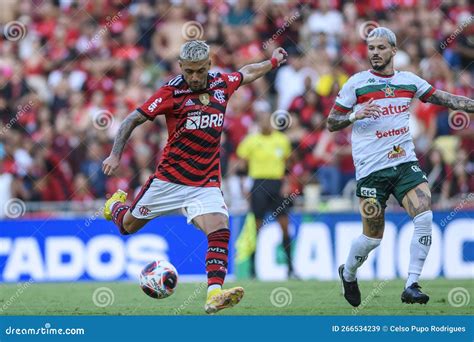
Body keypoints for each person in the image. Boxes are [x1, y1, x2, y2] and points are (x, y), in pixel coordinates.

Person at [101, 40, 288, 314]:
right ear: (181, 68)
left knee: (220, 229)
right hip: (169, 180)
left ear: (209, 66)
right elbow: (131, 119)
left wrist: (271, 62)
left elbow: (246, 73)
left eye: (200, 70)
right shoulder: (171, 92)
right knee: (127, 227)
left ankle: (214, 293)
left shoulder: (221, 84)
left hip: (205, 182)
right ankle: (114, 207)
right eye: (189, 71)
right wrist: (115, 155)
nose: (195, 77)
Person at [327, 27, 474, 307]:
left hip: (405, 163)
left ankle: (411, 284)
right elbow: (331, 122)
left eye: (381, 48)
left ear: (393, 50)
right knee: (373, 239)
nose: (375, 53)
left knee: (424, 217)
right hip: (371, 171)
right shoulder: (356, 84)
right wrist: (356, 115)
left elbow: (447, 99)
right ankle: (348, 273)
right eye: (371, 48)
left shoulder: (408, 81)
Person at [236, 111, 294, 279]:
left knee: (284, 225)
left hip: (277, 184)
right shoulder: (251, 141)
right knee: (256, 228)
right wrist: (244, 187)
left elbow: (288, 165)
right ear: (257, 123)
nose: (265, 124)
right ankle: (253, 269)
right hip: (258, 185)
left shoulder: (281, 140)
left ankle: (290, 268)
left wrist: (287, 183)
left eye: (267, 120)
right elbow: (241, 166)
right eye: (261, 121)